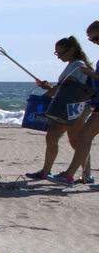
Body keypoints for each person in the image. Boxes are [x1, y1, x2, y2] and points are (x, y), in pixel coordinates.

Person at [27, 35, 94, 181]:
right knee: (70, 139)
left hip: (74, 107)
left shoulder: (78, 65)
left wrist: (46, 94)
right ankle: (85, 174)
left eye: (61, 53)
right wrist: (48, 88)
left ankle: (83, 174)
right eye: (57, 53)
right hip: (73, 106)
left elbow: (69, 89)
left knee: (61, 137)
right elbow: (65, 88)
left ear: (72, 50)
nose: (59, 57)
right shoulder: (74, 64)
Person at [53, 21, 99, 185]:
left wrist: (91, 74)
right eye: (91, 39)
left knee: (81, 138)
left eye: (96, 38)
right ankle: (77, 174)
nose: (94, 42)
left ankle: (72, 174)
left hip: (81, 106)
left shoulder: (78, 64)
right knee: (83, 138)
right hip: (93, 105)